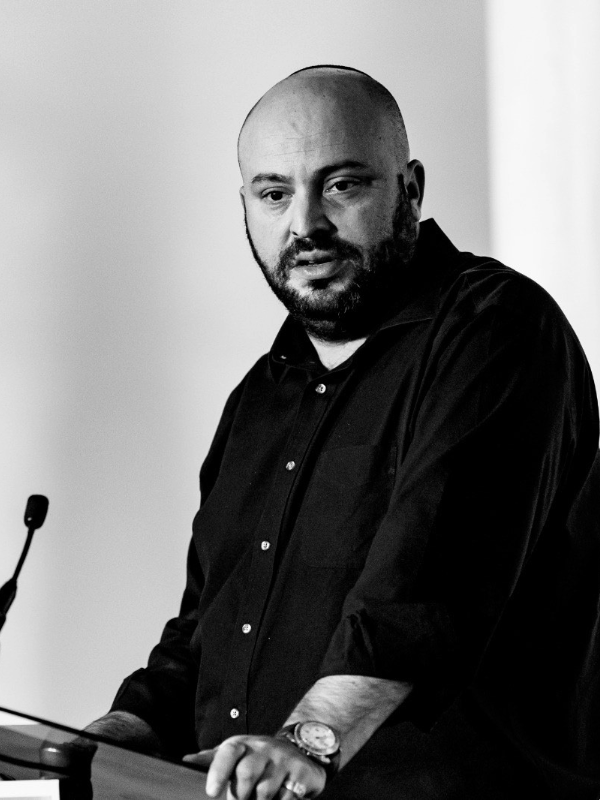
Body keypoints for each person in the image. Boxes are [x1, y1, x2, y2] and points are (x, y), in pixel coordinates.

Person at [86, 66, 600, 799]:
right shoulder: (259, 400)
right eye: (273, 194)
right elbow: (205, 633)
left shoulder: (497, 329)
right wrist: (102, 737)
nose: (305, 225)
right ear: (246, 206)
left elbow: (424, 583)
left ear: (411, 189)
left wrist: (308, 742)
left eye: (342, 185)